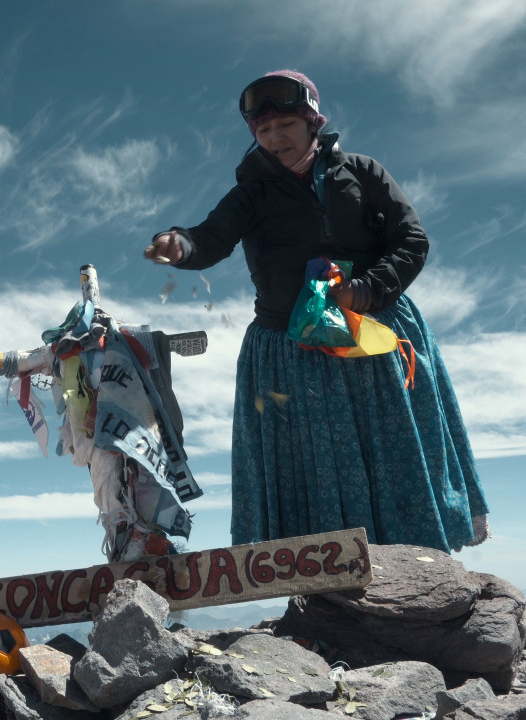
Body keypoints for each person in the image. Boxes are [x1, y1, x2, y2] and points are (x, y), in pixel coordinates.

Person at [144, 70, 489, 553]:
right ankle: (323, 586)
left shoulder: (363, 172)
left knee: (390, 453)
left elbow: (412, 241)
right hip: (291, 349)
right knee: (308, 466)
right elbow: (209, 237)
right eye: (263, 131)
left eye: (285, 124)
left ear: (312, 121)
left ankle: (417, 572)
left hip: (373, 335)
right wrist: (178, 244)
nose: (274, 137)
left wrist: (365, 292)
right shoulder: (250, 193)